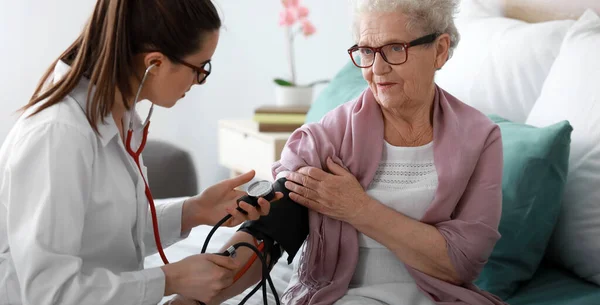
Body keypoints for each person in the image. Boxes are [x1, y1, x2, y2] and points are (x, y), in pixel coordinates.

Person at [169, 0, 508, 305]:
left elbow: (460, 263)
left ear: (440, 50)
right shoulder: (328, 136)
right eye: (366, 51)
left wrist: (357, 209)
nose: (377, 68)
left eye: (394, 48)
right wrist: (196, 300)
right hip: (343, 295)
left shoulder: (480, 139)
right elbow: (270, 232)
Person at [0, 1, 283, 305]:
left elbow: (108, 235)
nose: (199, 81)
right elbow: (50, 294)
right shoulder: (59, 136)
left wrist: (193, 211)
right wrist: (171, 279)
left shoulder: (116, 116)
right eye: (200, 68)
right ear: (155, 64)